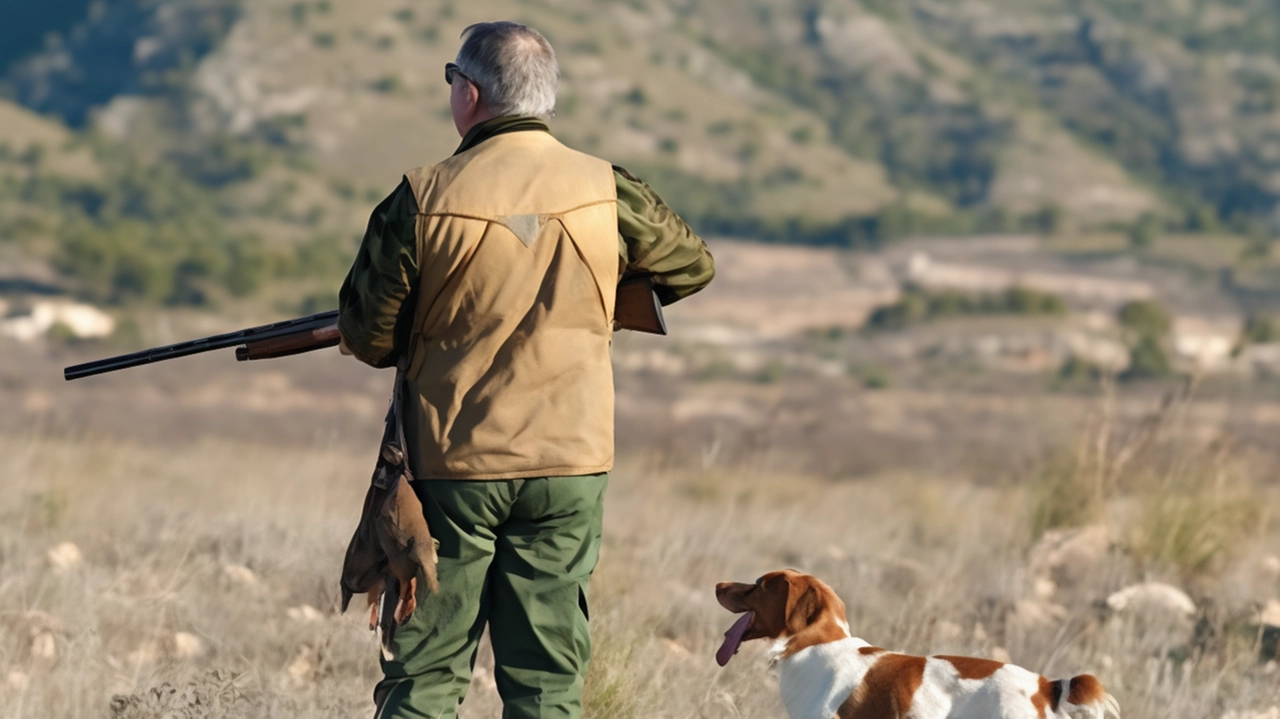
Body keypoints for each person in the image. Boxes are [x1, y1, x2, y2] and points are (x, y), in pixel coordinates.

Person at [336, 20, 715, 719]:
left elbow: (366, 334)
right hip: (571, 463)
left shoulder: (420, 197)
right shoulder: (609, 188)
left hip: (454, 466)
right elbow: (692, 264)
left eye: (452, 81)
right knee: (546, 683)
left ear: (470, 93)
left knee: (423, 680)